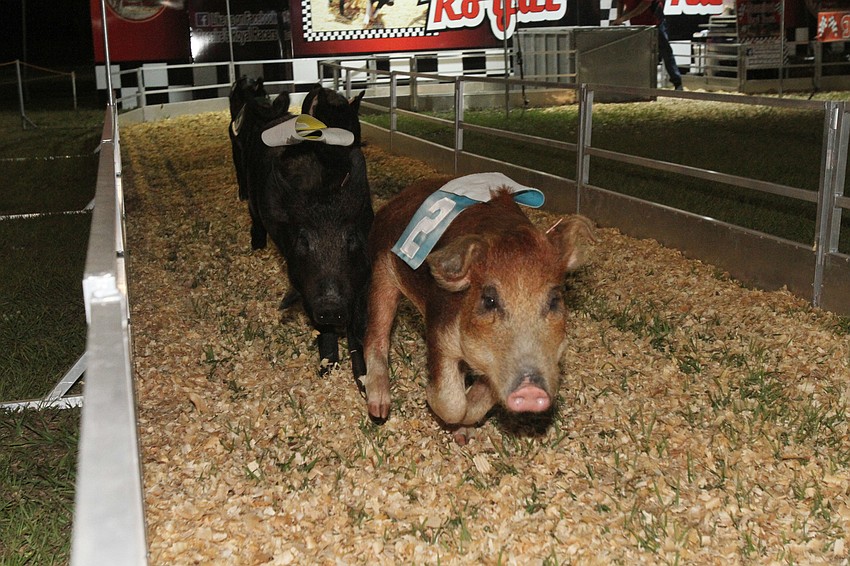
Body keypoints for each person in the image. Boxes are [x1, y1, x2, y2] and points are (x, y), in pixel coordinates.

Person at [612, 0, 683, 90]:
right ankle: (640, 83)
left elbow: (645, 4)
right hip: (637, 22)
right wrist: (619, 17)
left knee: (665, 51)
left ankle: (677, 82)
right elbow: (620, 2)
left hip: (655, 21)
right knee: (640, 53)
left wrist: (624, 18)